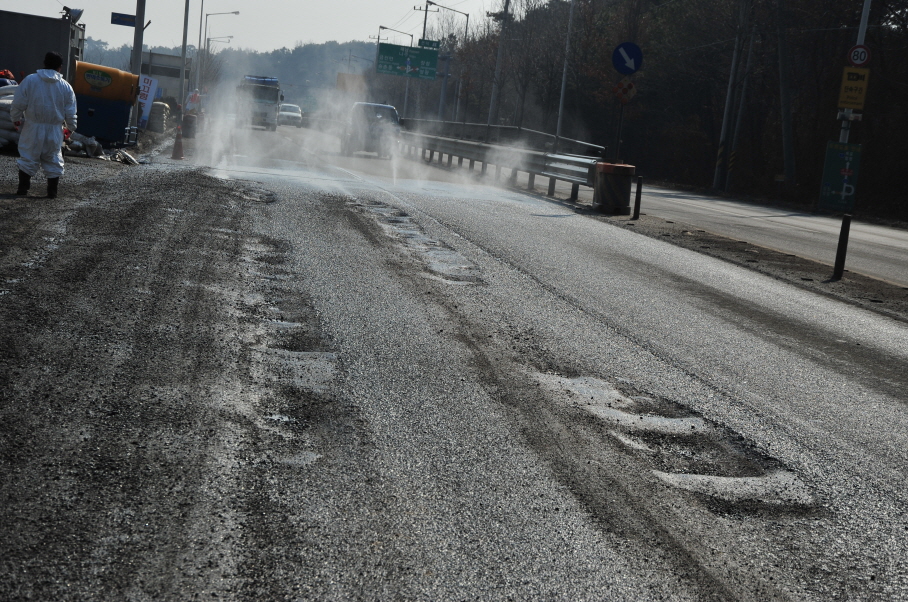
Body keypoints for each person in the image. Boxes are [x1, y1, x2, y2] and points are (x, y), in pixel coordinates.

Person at [10, 52, 77, 199]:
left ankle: (22, 189)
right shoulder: (66, 87)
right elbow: (71, 112)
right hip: (54, 129)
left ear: (44, 63)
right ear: (60, 67)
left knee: (28, 156)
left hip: (32, 127)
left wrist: (15, 118)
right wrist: (70, 128)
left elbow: (18, 102)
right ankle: (52, 192)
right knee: (53, 158)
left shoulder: (30, 80)